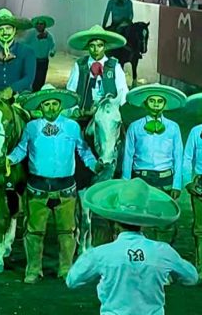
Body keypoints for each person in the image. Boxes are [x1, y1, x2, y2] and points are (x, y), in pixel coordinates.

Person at [7, 85, 99, 284]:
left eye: (54, 104)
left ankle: (66, 268)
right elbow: (22, 149)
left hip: (65, 187)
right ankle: (33, 269)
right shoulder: (31, 127)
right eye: (46, 104)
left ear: (60, 106)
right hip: (37, 187)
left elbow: (83, 150)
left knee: (67, 231)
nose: (50, 107)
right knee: (33, 231)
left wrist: (95, 165)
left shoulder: (73, 127)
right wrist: (9, 159)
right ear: (41, 107)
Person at [67, 178, 198, 313]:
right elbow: (191, 277)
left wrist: (90, 254)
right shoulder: (163, 252)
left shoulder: (101, 254)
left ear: (115, 222)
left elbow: (73, 280)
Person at [122, 83, 187, 243]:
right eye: (152, 100)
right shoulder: (135, 127)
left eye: (160, 101)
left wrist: (177, 184)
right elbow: (128, 155)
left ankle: (161, 259)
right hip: (141, 179)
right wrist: (125, 182)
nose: (156, 104)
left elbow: (178, 156)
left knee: (164, 222)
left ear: (165, 104)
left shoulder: (173, 128)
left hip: (165, 180)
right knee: (140, 221)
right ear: (145, 103)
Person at [66, 25, 129, 120]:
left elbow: (122, 90)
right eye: (92, 46)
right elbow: (71, 89)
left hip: (108, 115)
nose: (96, 50)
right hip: (83, 113)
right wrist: (74, 109)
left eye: (100, 45)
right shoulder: (80, 65)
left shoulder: (114, 66)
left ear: (105, 47)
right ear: (87, 47)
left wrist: (117, 109)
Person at [183, 93, 202, 279]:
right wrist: (187, 181)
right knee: (200, 227)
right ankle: (201, 264)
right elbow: (188, 157)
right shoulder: (196, 132)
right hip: (200, 184)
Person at [21, 16, 56, 92]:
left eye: (42, 24)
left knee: (41, 78)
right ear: (36, 25)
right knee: (33, 78)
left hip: (44, 61)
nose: (40, 25)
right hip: (33, 60)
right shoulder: (31, 34)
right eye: (38, 24)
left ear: (45, 25)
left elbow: (53, 46)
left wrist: (52, 52)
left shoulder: (48, 36)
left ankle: (38, 93)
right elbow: (23, 43)